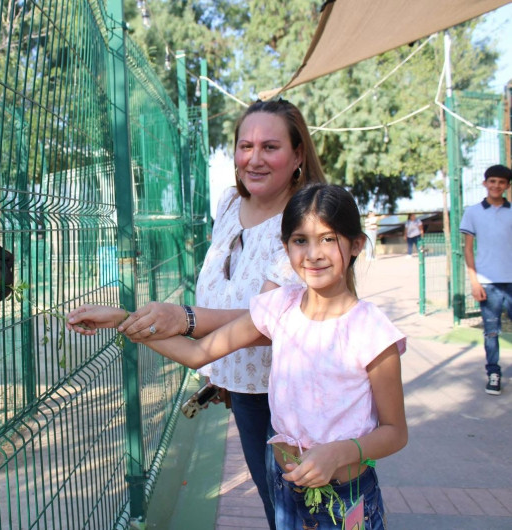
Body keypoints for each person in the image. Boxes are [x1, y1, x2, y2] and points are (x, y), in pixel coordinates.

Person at [66, 184, 408, 529]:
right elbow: (199, 352)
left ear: (357, 245)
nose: (313, 253)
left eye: (329, 239)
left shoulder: (372, 331)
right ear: (285, 247)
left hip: (345, 495)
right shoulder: (280, 307)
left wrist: (339, 453)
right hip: (286, 482)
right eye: (300, 240)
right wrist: (121, 320)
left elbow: (395, 432)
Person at [68, 99, 325, 528]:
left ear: (298, 155)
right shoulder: (228, 204)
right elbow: (222, 311)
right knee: (276, 505)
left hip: (293, 392)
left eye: (270, 147)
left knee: (303, 512)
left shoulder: (305, 221)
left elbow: (267, 322)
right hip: (245, 388)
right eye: (245, 146)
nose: (254, 158)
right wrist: (124, 318)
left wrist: (182, 319)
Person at [459, 164, 512, 395]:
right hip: (487, 283)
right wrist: (474, 282)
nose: (496, 186)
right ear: (485, 183)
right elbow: (468, 250)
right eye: (492, 181)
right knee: (491, 331)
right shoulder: (473, 212)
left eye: (501, 182)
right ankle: (494, 373)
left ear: (508, 186)